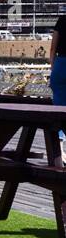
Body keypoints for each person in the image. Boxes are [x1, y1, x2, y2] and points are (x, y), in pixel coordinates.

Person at [52, 14, 66, 144]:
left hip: (60, 64)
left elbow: (53, 48)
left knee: (59, 109)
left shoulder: (62, 20)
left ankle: (58, 154)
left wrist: (53, 66)